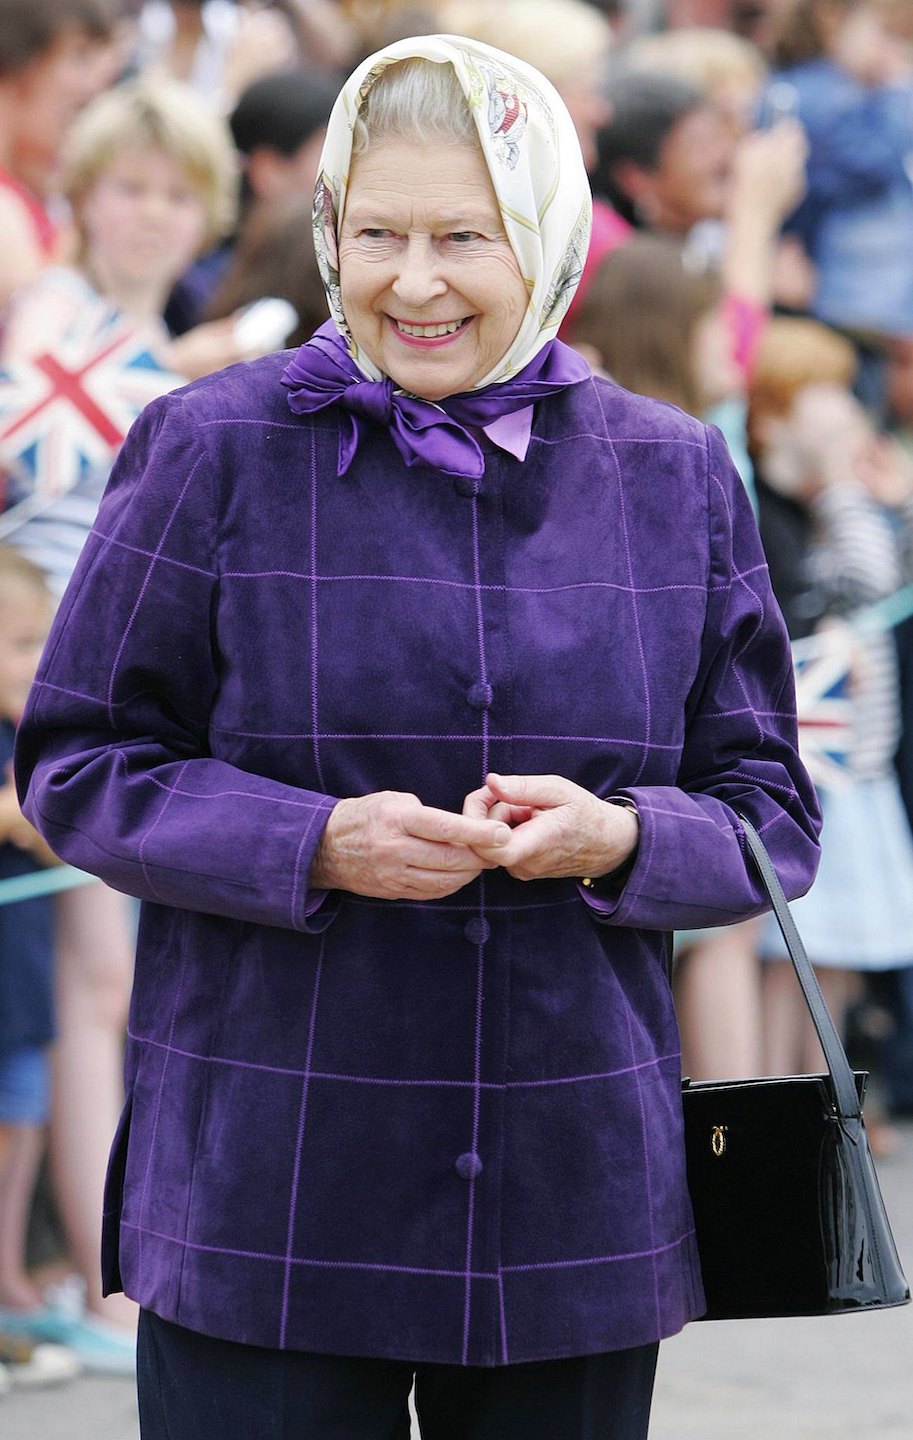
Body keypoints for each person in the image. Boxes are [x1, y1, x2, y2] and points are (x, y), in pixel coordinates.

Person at [15, 34, 820, 1440]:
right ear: (326, 229)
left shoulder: (672, 473)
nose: (415, 279)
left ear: (550, 235)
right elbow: (82, 764)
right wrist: (310, 840)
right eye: (375, 231)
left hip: (564, 1190)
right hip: (274, 1174)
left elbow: (767, 807)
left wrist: (625, 837)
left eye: (465, 233)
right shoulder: (212, 446)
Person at [0, 548, 81, 1390]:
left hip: (21, 992)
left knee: (22, 1123)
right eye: (21, 644)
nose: (39, 664)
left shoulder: (38, 740)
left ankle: (11, 1291)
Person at [0, 0, 121, 312]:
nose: (92, 85)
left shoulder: (38, 192)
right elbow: (42, 348)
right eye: (79, 57)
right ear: (16, 61)